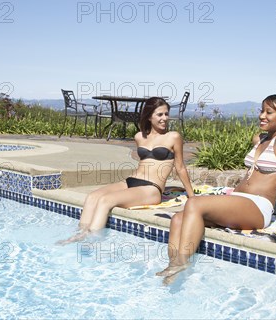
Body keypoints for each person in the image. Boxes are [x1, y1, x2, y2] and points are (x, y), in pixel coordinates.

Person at [157, 94, 276, 278]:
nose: (262, 115)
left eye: (269, 112)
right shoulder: (261, 139)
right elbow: (255, 151)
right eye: (262, 111)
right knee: (178, 218)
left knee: (194, 204)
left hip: (258, 206)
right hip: (237, 200)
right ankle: (173, 271)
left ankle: (181, 263)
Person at [57, 97, 195, 245]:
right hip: (132, 181)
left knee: (106, 201)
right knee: (92, 196)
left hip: (151, 188)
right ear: (149, 116)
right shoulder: (139, 136)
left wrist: (191, 195)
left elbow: (180, 167)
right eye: (159, 115)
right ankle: (80, 234)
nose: (165, 118)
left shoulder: (173, 137)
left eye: (166, 114)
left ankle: (91, 241)